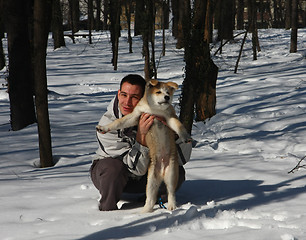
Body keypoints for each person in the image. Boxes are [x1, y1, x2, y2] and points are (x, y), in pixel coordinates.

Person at [90, 74, 192, 211]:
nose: (127, 102)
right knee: (112, 168)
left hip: (144, 176)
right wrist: (141, 137)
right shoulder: (107, 124)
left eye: (134, 97)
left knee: (177, 171)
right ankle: (108, 210)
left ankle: (152, 201)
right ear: (118, 94)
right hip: (114, 178)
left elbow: (182, 159)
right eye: (124, 95)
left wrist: (173, 135)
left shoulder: (160, 111)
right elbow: (136, 170)